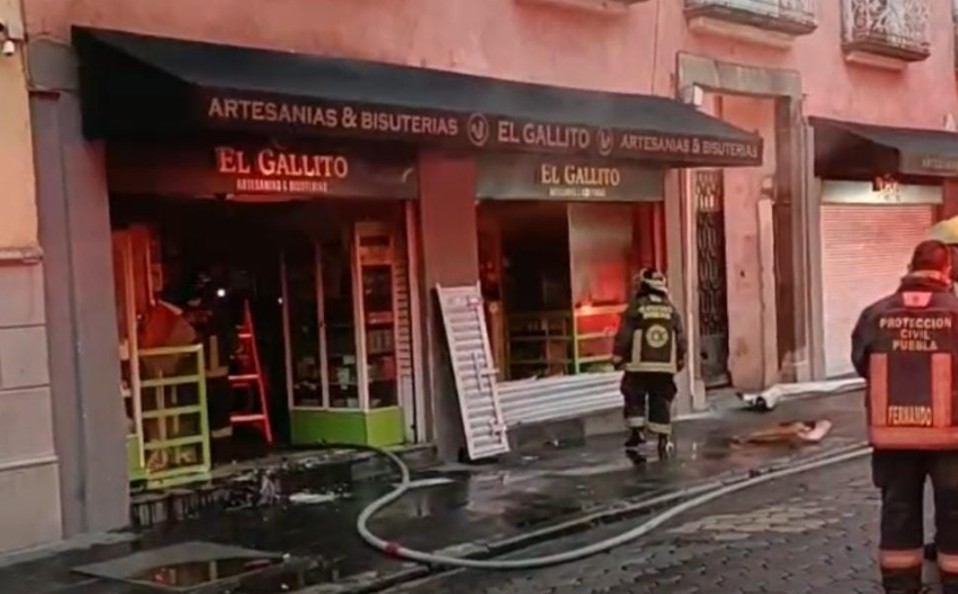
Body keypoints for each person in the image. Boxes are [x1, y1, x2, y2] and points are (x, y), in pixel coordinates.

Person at [851, 239, 958, 594]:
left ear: (910, 266)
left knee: (898, 511)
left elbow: (861, 362)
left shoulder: (875, 313)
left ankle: (900, 587)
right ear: (947, 271)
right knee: (955, 510)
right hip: (951, 439)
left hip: (893, 437)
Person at [612, 268, 687, 460]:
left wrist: (618, 356)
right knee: (661, 399)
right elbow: (680, 336)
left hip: (639, 366)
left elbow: (624, 335)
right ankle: (663, 437)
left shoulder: (637, 307)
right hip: (664, 367)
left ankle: (637, 434)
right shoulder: (670, 309)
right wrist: (680, 358)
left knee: (634, 395)